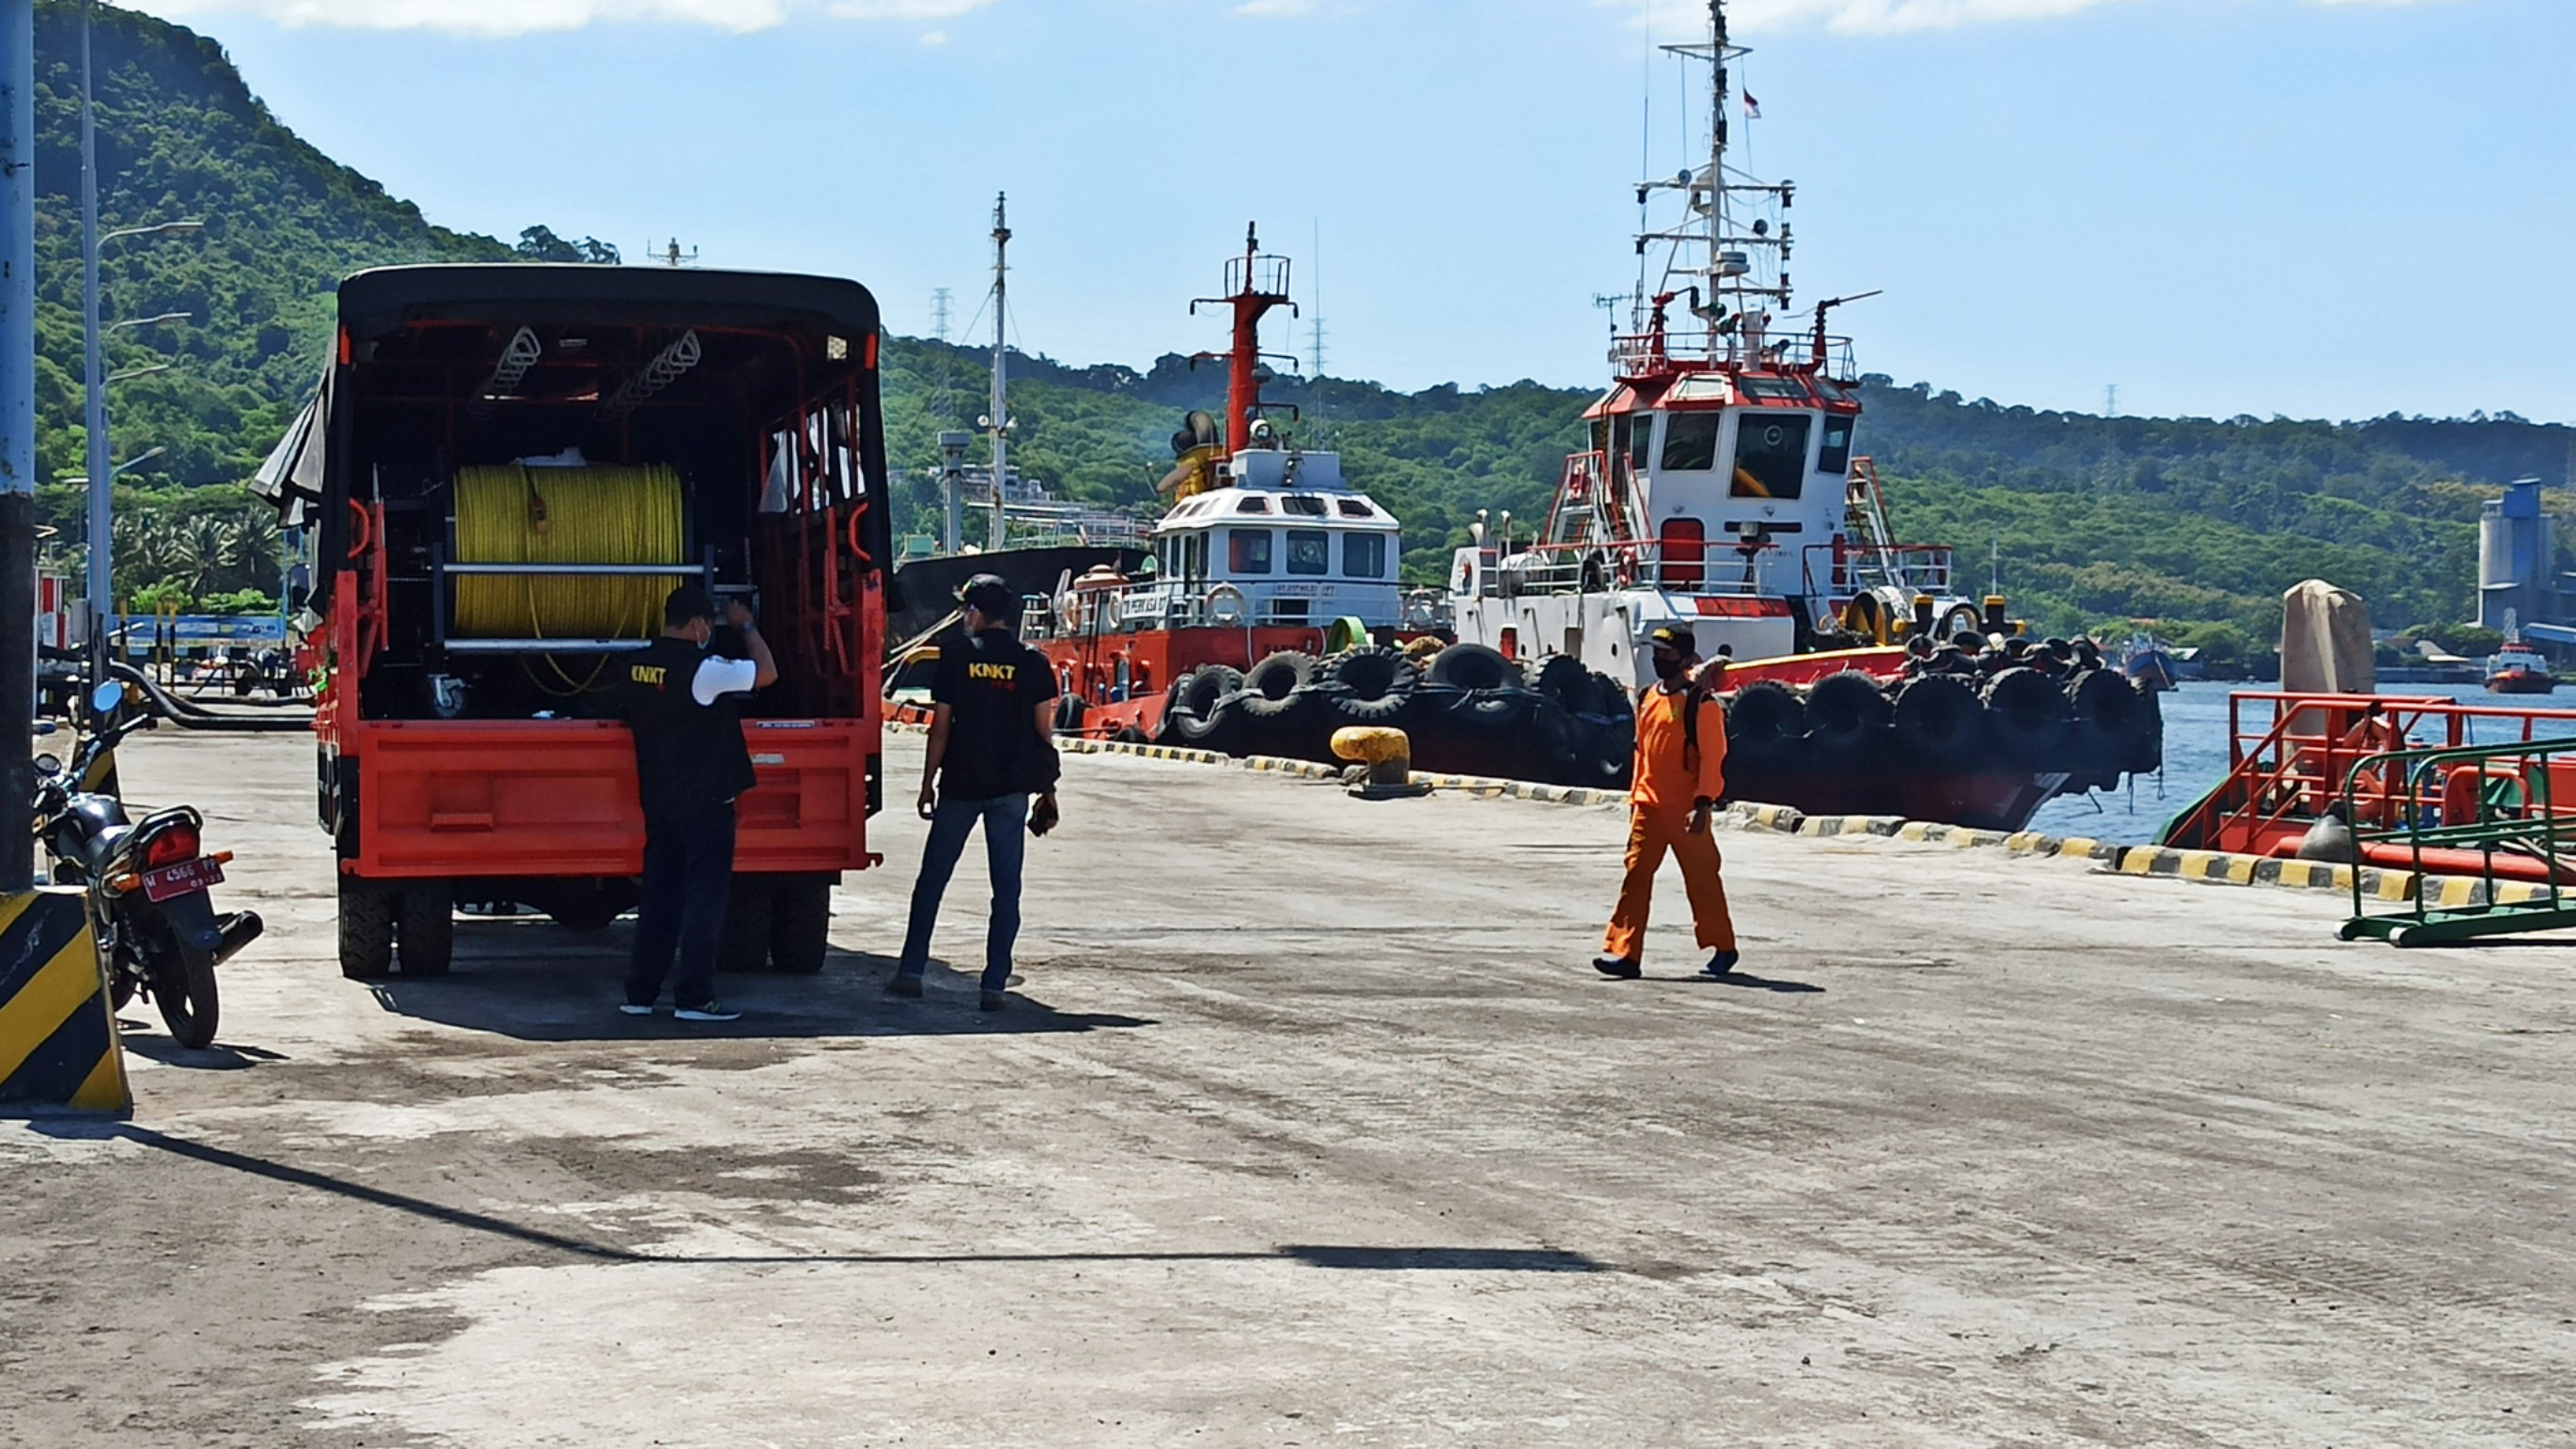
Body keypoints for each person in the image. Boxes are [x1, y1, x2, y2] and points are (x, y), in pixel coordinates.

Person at [891, 574, 1061, 1011]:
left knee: (932, 882)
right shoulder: (1033, 663)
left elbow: (941, 728)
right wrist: (1048, 790)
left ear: (975, 612)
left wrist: (928, 782)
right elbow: (1044, 733)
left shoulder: (954, 656)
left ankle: (911, 972)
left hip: (961, 787)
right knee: (1006, 890)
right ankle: (994, 985)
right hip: (1010, 790)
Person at [617, 585, 777, 1021]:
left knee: (658, 900)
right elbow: (767, 674)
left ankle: (640, 994)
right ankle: (694, 998)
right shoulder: (706, 670)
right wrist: (745, 625)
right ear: (698, 625)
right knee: (705, 901)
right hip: (705, 803)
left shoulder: (637, 666)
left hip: (660, 800)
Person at [1595, 623, 1739, 980]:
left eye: (1668, 654)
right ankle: (1625, 953)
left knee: (1702, 879)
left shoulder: (1700, 705)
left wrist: (1704, 804)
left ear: (1686, 660)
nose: (1660, 659)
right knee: (1636, 875)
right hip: (1648, 804)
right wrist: (1635, 799)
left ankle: (1722, 947)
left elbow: (1712, 756)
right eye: (1656, 652)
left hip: (1687, 808)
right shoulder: (1646, 698)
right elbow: (1642, 753)